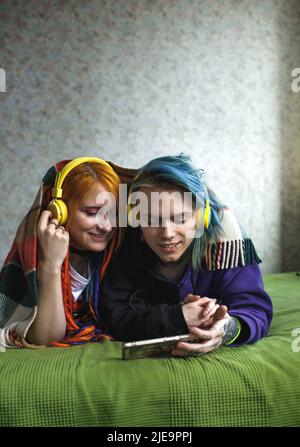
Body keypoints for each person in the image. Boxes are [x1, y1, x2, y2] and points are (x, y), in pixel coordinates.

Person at [100, 154, 273, 357]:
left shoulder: (226, 240)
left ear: (202, 218)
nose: (167, 234)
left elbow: (255, 310)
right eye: (151, 220)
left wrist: (226, 329)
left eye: (180, 219)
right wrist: (177, 317)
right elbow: (114, 316)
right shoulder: (125, 241)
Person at [0, 157, 133, 348]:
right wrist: (51, 264)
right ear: (59, 210)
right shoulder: (34, 258)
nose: (106, 226)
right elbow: (46, 338)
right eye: (92, 212)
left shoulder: (113, 256)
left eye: (112, 214)